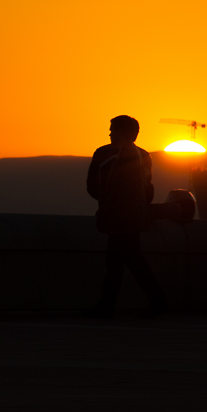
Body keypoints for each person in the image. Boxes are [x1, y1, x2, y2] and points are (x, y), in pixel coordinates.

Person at [86, 115, 168, 318]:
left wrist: (107, 203)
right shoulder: (143, 156)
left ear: (122, 132)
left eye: (113, 129)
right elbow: (148, 190)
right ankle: (114, 303)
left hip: (116, 216)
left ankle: (112, 304)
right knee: (124, 259)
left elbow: (92, 186)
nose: (110, 133)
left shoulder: (103, 153)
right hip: (133, 216)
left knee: (123, 260)